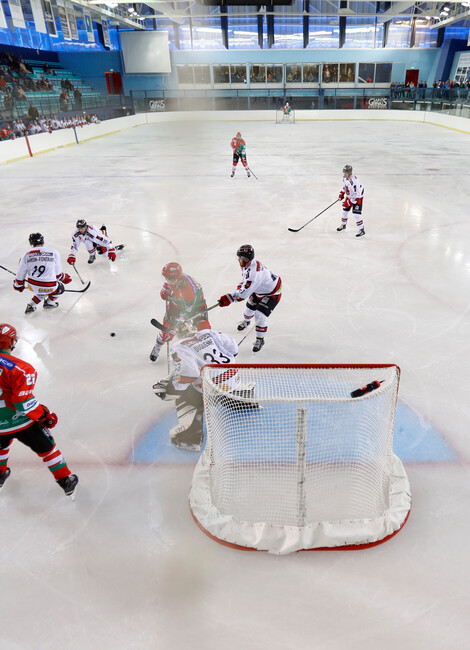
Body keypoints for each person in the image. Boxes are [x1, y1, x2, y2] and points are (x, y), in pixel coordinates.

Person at [0, 323, 78, 498]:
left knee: (1, 447)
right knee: (47, 448)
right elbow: (21, 403)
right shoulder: (20, 368)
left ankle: (0, 474)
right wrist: (43, 415)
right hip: (22, 422)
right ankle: (65, 479)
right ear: (12, 342)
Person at [153, 322, 241, 451]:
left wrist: (172, 390)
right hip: (234, 377)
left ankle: (190, 437)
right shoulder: (209, 333)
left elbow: (189, 374)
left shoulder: (179, 346)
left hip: (212, 387)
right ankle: (235, 400)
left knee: (186, 396)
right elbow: (232, 345)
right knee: (213, 382)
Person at [218, 244, 282, 353]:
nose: (238, 260)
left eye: (240, 258)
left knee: (259, 315)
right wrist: (240, 289)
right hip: (259, 289)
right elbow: (246, 282)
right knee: (248, 310)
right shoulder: (247, 265)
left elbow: (243, 295)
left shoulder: (254, 274)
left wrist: (230, 298)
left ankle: (260, 339)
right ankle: (246, 322)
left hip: (272, 293)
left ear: (246, 259)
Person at [150, 262, 211, 362]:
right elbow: (165, 290)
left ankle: (206, 354)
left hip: (196, 306)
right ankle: (157, 347)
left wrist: (177, 325)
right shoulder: (173, 280)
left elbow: (187, 313)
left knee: (204, 331)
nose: (167, 281)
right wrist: (164, 293)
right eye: (166, 278)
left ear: (177, 277)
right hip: (176, 305)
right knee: (167, 332)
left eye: (169, 279)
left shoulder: (189, 291)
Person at [14, 233, 72, 315]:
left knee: (41, 289)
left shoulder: (26, 254)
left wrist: (18, 285)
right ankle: (49, 302)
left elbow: (20, 272)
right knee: (60, 288)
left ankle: (32, 304)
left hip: (32, 286)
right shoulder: (54, 252)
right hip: (50, 286)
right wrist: (64, 278)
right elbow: (58, 275)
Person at [336, 164, 365, 237]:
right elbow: (345, 186)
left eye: (346, 173)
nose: (344, 174)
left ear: (350, 173)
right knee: (344, 211)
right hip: (350, 196)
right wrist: (341, 193)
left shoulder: (354, 181)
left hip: (357, 197)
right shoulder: (345, 178)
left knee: (356, 214)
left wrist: (350, 201)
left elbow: (357, 194)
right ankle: (343, 225)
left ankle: (361, 230)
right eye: (344, 172)